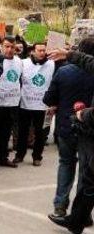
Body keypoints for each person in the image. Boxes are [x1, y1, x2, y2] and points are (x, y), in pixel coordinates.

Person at [44, 38, 94, 218]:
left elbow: (49, 98)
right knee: (85, 170)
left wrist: (57, 103)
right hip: (88, 129)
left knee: (66, 163)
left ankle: (60, 205)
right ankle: (82, 212)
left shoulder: (63, 72)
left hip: (67, 125)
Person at [14, 43, 55, 166]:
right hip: (25, 103)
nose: (42, 52)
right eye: (39, 50)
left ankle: (37, 156)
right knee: (23, 132)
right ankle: (19, 155)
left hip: (43, 105)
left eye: (44, 50)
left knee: (41, 133)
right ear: (33, 51)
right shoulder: (24, 63)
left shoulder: (52, 64)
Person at [0, 37, 23, 168]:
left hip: (12, 102)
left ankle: (2, 157)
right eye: (7, 46)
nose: (9, 49)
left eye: (12, 47)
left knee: (6, 132)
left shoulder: (19, 61)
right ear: (1, 47)